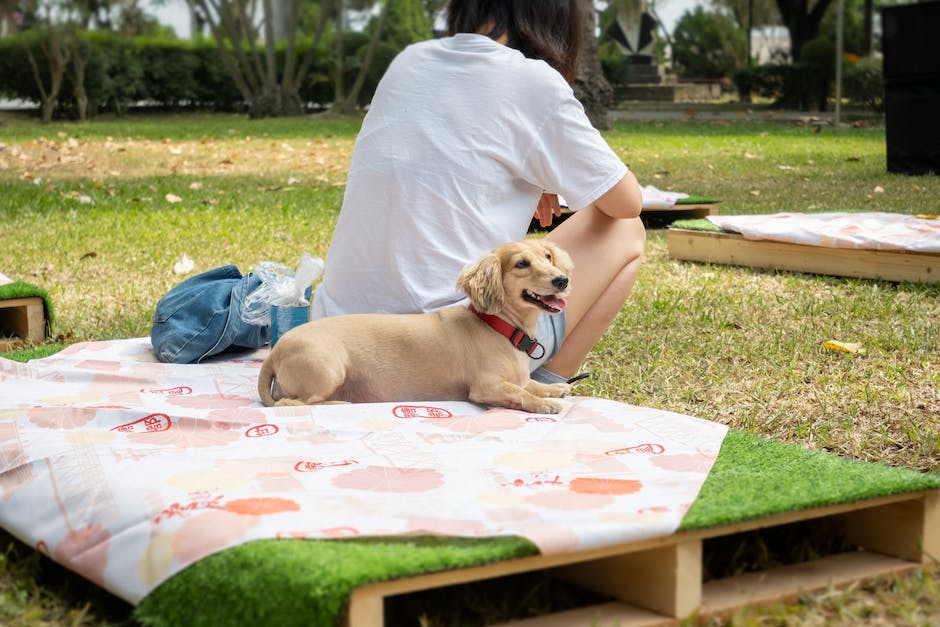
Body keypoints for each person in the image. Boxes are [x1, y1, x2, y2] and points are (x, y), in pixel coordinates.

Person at [311, 0, 645, 385]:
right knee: (626, 229)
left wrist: (536, 170)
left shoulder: (410, 62)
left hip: (339, 341)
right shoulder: (533, 82)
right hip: (446, 353)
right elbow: (625, 201)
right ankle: (537, 380)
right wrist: (545, 167)